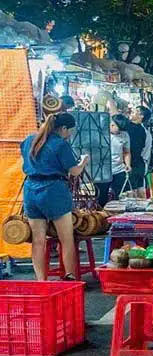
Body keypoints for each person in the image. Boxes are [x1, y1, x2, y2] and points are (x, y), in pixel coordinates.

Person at [21, 113, 89, 280]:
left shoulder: (29, 140)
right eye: (70, 131)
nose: (70, 134)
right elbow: (74, 171)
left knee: (38, 241)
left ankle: (41, 281)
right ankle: (70, 276)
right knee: (66, 239)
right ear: (63, 128)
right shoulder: (60, 144)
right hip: (54, 191)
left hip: (30, 190)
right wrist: (84, 161)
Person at [96, 114, 132, 206]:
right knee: (101, 197)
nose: (117, 130)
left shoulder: (125, 135)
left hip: (119, 169)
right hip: (103, 171)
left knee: (121, 196)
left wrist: (128, 164)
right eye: (117, 127)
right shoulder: (101, 134)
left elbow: (126, 152)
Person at [127, 106, 151, 199]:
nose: (132, 111)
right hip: (140, 164)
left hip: (134, 164)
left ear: (141, 116)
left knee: (131, 192)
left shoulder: (138, 130)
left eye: (136, 111)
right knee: (139, 190)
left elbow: (144, 152)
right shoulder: (145, 132)